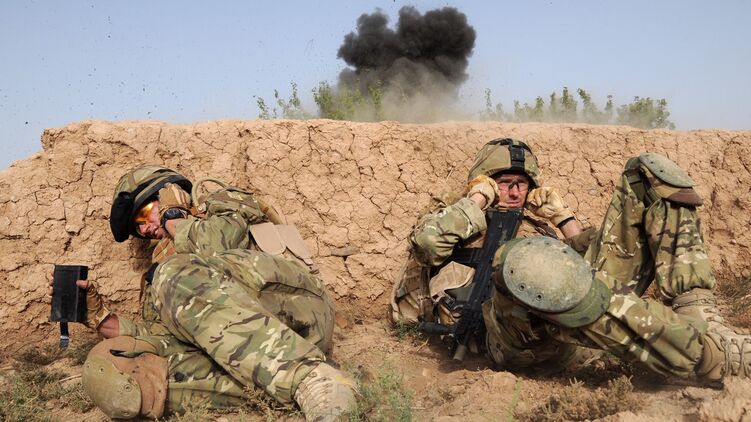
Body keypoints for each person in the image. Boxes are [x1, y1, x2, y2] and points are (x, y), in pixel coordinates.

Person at [390, 138, 750, 382]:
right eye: (503, 182)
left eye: (521, 183)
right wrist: (477, 200)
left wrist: (564, 219)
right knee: (521, 260)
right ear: (482, 181)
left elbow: (596, 265)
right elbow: (427, 245)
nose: (514, 190)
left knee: (648, 171)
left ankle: (701, 315)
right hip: (504, 339)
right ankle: (711, 358)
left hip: (570, 329)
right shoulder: (454, 215)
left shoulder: (537, 225)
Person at [56, 165, 356, 421]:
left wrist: (174, 217)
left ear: (168, 192)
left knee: (174, 274)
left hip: (296, 309)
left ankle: (310, 377)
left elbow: (215, 245)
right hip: (252, 351)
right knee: (113, 365)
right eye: (138, 227)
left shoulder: (219, 203)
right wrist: (99, 317)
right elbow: (163, 336)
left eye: (145, 214)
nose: (145, 229)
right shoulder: (162, 272)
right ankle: (290, 388)